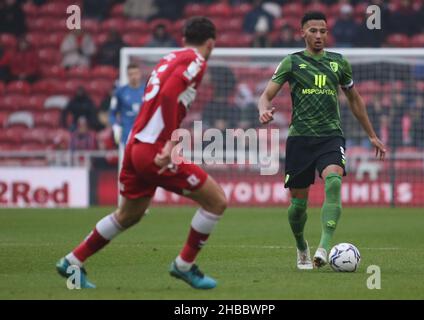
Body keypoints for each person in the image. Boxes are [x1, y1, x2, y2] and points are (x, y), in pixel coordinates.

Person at [56, 17, 227, 290]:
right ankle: (184, 265)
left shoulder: (168, 57)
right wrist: (171, 143)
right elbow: (170, 95)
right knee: (216, 201)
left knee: (129, 215)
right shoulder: (197, 60)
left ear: (183, 38)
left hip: (135, 146)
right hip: (154, 150)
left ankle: (72, 261)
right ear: (211, 43)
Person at [258, 12, 386, 270]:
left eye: (323, 31)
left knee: (334, 181)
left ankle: (324, 247)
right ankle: (301, 245)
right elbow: (266, 95)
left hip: (330, 136)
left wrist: (372, 134)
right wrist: (263, 109)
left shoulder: (339, 63)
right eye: (313, 31)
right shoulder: (291, 62)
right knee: (298, 206)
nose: (319, 36)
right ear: (302, 33)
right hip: (300, 139)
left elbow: (355, 100)